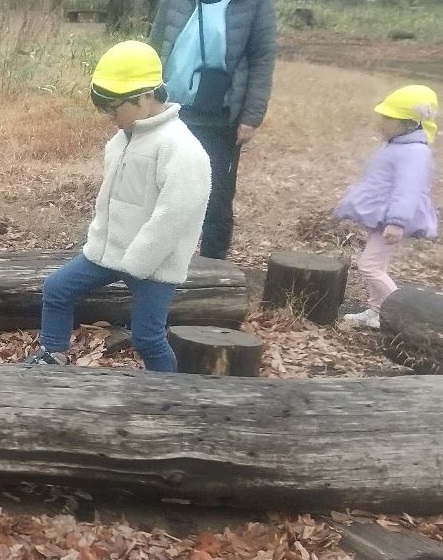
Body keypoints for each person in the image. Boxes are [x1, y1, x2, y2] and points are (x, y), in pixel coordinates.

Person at [25, 41, 211, 372]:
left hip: (152, 264)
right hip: (110, 252)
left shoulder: (180, 147)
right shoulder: (124, 137)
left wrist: (139, 260)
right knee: (57, 289)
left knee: (148, 337)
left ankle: (170, 394)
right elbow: (111, 200)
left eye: (115, 108)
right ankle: (52, 354)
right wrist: (100, 240)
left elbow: (177, 213)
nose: (111, 117)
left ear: (146, 97)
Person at [150, 0, 277, 260]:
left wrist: (251, 116)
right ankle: (155, 257)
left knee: (216, 195)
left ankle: (213, 267)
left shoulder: (255, 4)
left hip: (220, 116)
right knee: (161, 187)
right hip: (169, 109)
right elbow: (155, 42)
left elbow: (262, 59)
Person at [334, 85, 440, 329]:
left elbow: (408, 189)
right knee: (377, 265)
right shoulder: (397, 145)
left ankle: (404, 316)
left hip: (392, 219)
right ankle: (377, 311)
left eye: (388, 118)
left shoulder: (415, 152)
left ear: (408, 123)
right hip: (382, 217)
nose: (382, 123)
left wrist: (397, 221)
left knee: (369, 266)